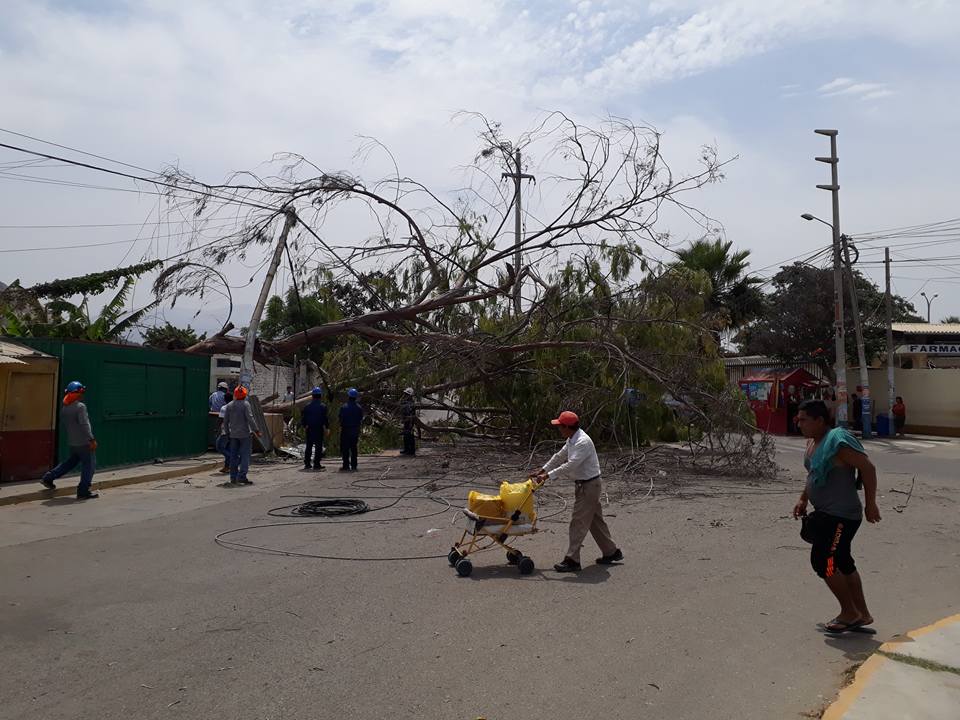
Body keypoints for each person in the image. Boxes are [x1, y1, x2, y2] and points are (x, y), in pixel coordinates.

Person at [793, 400, 881, 634]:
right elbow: (813, 473)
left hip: (841, 516)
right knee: (841, 561)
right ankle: (862, 614)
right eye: (798, 418)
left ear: (820, 420)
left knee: (824, 561)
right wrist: (803, 498)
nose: (798, 423)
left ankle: (849, 612)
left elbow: (868, 468)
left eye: (804, 419)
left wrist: (871, 504)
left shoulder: (837, 443)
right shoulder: (813, 442)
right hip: (826, 514)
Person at [534, 411, 622, 573]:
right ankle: (612, 552)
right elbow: (559, 456)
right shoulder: (572, 439)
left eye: (560, 426)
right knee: (595, 521)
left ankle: (572, 560)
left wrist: (547, 476)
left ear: (568, 427)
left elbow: (571, 465)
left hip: (589, 486)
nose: (559, 429)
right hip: (586, 485)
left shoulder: (582, 442)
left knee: (578, 522)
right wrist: (543, 469)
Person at [39, 380, 99, 500]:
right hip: (84, 443)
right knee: (89, 465)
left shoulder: (64, 409)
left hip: (73, 443)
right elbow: (84, 425)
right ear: (77, 393)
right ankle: (83, 491)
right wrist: (91, 439)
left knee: (70, 463)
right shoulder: (80, 407)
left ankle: (48, 477)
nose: (82, 395)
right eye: (81, 392)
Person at [223, 385, 261, 486]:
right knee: (245, 456)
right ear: (244, 395)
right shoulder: (245, 404)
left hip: (233, 435)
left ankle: (233, 477)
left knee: (233, 457)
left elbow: (225, 421)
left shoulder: (229, 405)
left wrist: (227, 433)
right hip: (245, 435)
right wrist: (256, 430)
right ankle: (242, 476)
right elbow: (250, 418)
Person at [301, 387, 329, 470]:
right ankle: (316, 464)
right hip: (318, 429)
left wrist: (304, 425)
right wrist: (326, 428)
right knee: (318, 447)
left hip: (309, 428)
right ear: (320, 396)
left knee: (309, 446)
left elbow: (303, 418)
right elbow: (325, 419)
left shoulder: (307, 407)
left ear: (312, 396)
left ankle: (307, 464)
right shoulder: (323, 407)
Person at [338, 388, 363, 472]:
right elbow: (360, 419)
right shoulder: (359, 408)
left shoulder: (344, 407)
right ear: (355, 397)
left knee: (345, 448)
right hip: (355, 430)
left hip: (346, 430)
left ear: (348, 396)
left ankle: (346, 465)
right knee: (354, 448)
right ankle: (354, 465)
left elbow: (340, 419)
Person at [399, 387, 417, 456]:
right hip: (406, 420)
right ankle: (406, 449)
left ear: (410, 395)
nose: (405, 395)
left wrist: (410, 422)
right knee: (406, 435)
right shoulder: (405, 402)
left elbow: (412, 414)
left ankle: (411, 451)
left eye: (406, 394)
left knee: (410, 435)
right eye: (405, 394)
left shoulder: (411, 403)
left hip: (409, 421)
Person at [215, 405, 231, 473]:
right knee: (228, 449)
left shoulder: (224, 408)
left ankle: (234, 459)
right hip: (235, 431)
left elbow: (220, 419)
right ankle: (227, 467)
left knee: (219, 447)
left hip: (226, 432)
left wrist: (216, 429)